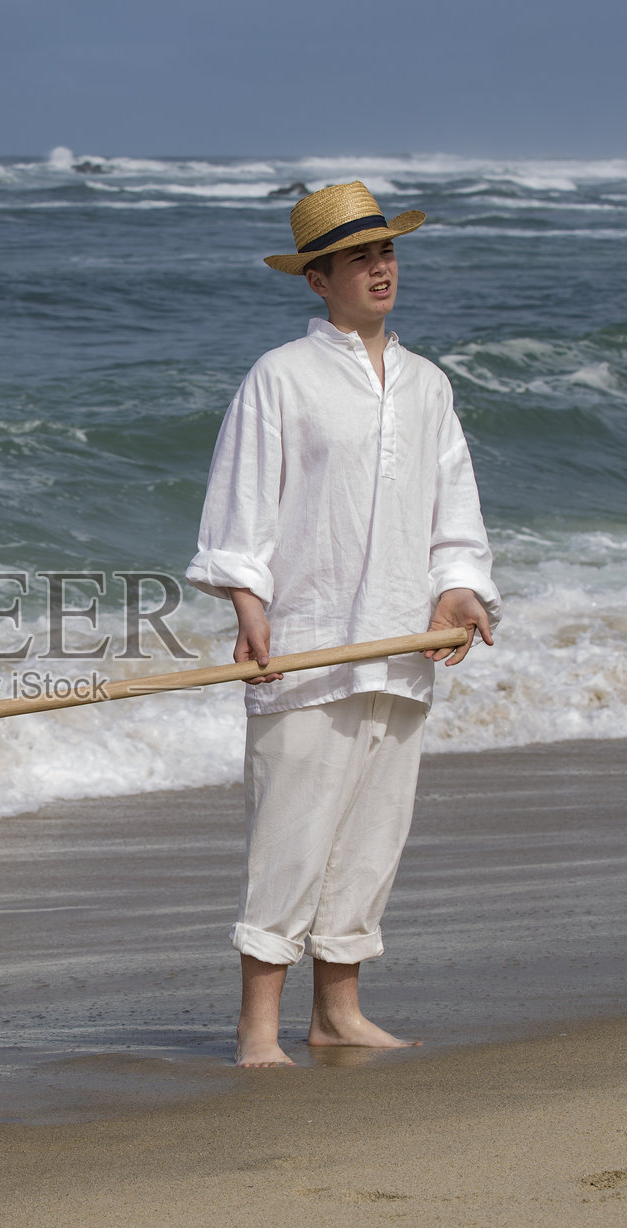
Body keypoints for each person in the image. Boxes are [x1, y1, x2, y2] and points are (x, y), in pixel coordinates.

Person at [185, 183, 501, 1065]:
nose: (381, 268)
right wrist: (249, 605)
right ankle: (257, 1028)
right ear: (317, 280)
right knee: (291, 828)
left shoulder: (429, 385)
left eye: (388, 253)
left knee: (371, 832)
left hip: (403, 643)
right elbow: (240, 509)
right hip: (311, 641)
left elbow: (455, 512)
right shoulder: (280, 376)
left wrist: (461, 591)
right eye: (360, 258)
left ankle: (338, 1014)